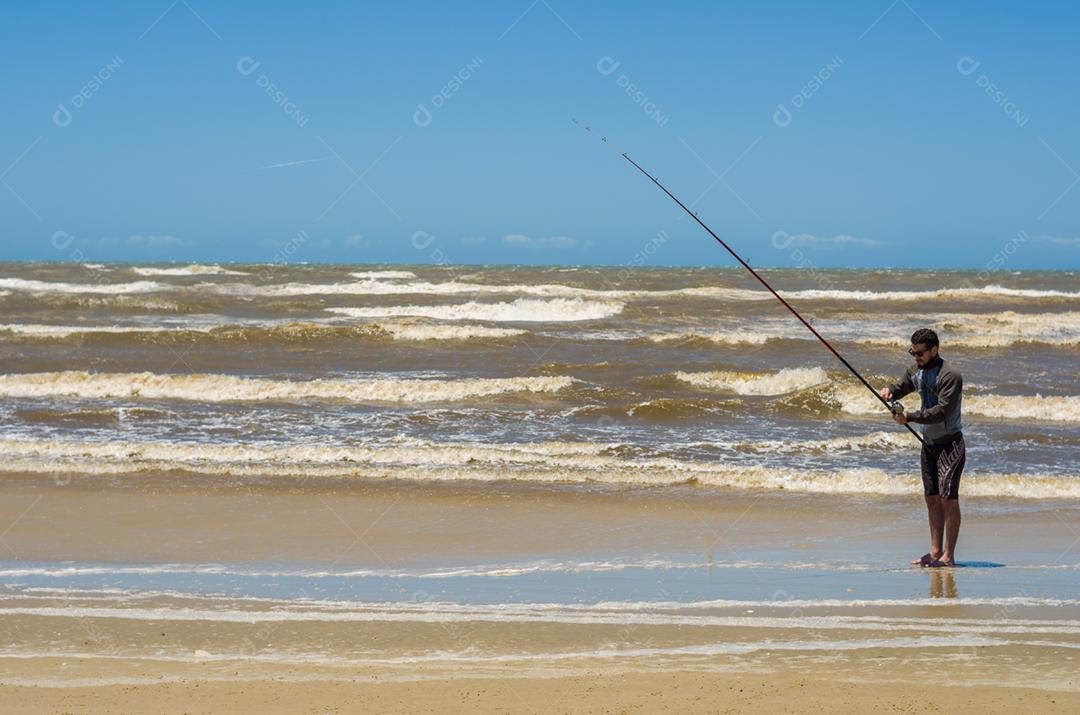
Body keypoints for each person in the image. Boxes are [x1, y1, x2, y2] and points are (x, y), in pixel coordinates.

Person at [878, 328, 965, 567]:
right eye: (913, 352)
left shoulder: (951, 376)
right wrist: (891, 391)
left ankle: (949, 556)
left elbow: (941, 411)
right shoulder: (917, 370)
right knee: (932, 497)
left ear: (934, 349)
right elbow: (903, 385)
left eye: (920, 353)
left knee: (949, 500)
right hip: (928, 445)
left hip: (950, 445)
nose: (915, 357)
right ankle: (935, 551)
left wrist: (910, 417)